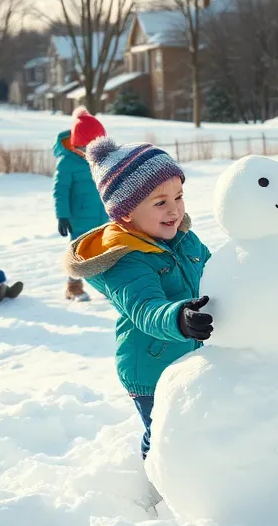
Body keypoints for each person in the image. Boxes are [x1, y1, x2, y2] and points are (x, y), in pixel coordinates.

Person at [63, 137, 212, 462]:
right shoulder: (126, 262)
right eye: (159, 203)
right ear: (126, 213)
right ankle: (156, 482)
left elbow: (217, 270)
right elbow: (146, 309)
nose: (174, 208)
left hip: (189, 356)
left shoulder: (184, 239)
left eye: (178, 196)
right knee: (162, 434)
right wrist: (180, 318)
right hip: (150, 367)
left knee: (195, 424)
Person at [54, 110, 109, 301]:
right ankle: (73, 286)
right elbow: (60, 191)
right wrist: (62, 215)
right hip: (79, 217)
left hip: (103, 214)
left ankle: (106, 286)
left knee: (105, 250)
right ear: (77, 144)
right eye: (88, 147)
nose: (91, 151)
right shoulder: (67, 163)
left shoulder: (101, 159)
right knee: (79, 252)